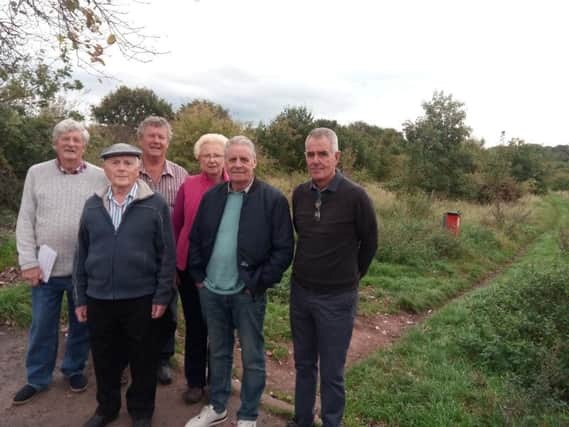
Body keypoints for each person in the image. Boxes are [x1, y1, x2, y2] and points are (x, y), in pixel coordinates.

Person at [184, 136, 294, 427]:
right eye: (232, 159)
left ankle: (247, 416)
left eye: (244, 159)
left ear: (254, 162)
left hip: (248, 293)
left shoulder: (273, 200)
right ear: (225, 162)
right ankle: (217, 407)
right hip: (212, 291)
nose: (238, 164)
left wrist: (256, 282)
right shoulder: (213, 197)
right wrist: (198, 279)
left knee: (253, 357)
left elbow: (284, 250)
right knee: (218, 353)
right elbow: (195, 240)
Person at [73, 143, 175, 427]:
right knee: (104, 358)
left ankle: (141, 411)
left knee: (143, 359)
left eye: (128, 163)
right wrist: (81, 297)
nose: (121, 168)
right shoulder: (92, 203)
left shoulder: (155, 204)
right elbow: (81, 252)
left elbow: (167, 254)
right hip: (99, 297)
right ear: (104, 168)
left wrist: (162, 295)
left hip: (142, 297)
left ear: (138, 168)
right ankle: (107, 408)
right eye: (115, 162)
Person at [13, 118, 107, 405]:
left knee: (82, 323)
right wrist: (28, 260)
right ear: (55, 144)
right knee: (42, 323)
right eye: (65, 139)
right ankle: (37, 377)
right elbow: (25, 218)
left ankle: (73, 368)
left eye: (76, 140)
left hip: (84, 269)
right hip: (46, 268)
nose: (70, 144)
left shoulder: (100, 176)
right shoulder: (36, 173)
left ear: (84, 146)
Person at [289, 128, 378, 427]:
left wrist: (350, 276)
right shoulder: (299, 194)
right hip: (300, 293)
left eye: (323, 154)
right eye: (311, 154)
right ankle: (301, 420)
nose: (316, 160)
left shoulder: (356, 196)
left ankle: (331, 422)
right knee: (303, 365)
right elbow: (303, 233)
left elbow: (370, 243)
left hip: (337, 299)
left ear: (336, 157)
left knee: (331, 372)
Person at [172, 134, 229, 404]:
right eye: (207, 155)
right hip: (189, 269)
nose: (212, 159)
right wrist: (173, 265)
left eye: (217, 154)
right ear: (199, 158)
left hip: (224, 272)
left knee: (220, 330)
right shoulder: (189, 185)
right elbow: (176, 225)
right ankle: (195, 382)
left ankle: (219, 382)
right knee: (196, 327)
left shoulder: (238, 186)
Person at [137, 115, 188, 385]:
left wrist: (179, 263)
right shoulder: (128, 171)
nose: (156, 141)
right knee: (131, 308)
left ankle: (162, 358)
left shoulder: (181, 176)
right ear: (141, 139)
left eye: (161, 136)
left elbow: (186, 221)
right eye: (151, 135)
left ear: (168, 141)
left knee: (167, 312)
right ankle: (130, 358)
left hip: (168, 259)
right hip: (133, 257)